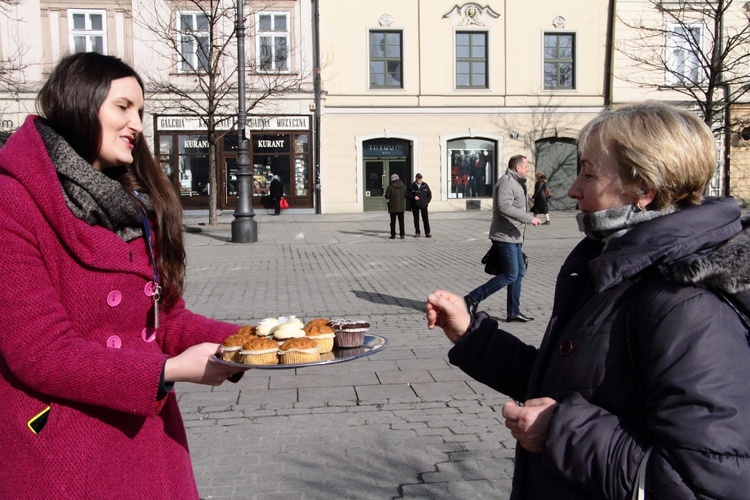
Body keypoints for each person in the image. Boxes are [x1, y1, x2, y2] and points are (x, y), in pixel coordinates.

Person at [426, 101, 750, 499]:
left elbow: (703, 484)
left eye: (589, 173)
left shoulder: (684, 303)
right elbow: (567, 383)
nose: (573, 189)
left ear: (643, 189)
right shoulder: (612, 264)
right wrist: (472, 336)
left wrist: (561, 431)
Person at [0, 53, 248, 499]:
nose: (137, 123)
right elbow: (39, 351)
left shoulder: (130, 202)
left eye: (140, 111)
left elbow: (165, 320)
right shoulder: (12, 200)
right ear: (80, 102)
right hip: (65, 452)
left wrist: (255, 340)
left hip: (145, 441)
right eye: (123, 107)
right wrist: (167, 372)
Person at [464, 155, 541, 322]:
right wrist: (529, 218)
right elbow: (504, 206)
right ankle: (473, 298)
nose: (528, 169)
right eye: (526, 166)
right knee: (510, 274)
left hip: (514, 235)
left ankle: (513, 311)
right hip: (505, 236)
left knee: (518, 273)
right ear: (518, 168)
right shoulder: (507, 182)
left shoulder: (517, 183)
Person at [409, 173, 432, 237]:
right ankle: (417, 232)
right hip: (415, 205)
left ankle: (427, 232)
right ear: (416, 178)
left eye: (421, 179)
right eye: (419, 179)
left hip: (424, 205)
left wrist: (426, 202)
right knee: (416, 219)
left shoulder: (425, 185)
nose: (420, 180)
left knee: (425, 219)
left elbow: (429, 195)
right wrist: (414, 197)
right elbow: (408, 195)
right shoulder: (412, 186)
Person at [384, 173, 406, 239]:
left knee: (393, 222)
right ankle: (402, 234)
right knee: (401, 221)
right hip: (401, 206)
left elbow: (387, 196)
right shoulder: (404, 186)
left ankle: (393, 235)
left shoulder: (390, 187)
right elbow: (406, 195)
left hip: (393, 207)